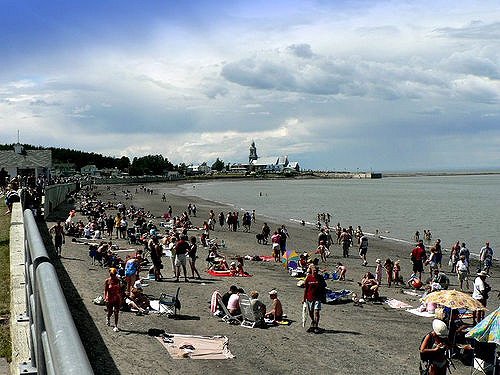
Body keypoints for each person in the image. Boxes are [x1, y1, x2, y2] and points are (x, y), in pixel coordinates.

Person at [303, 266, 326, 333]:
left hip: (317, 298)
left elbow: (324, 287)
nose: (315, 272)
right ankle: (313, 321)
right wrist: (304, 298)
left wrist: (323, 297)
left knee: (316, 312)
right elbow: (306, 289)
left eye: (316, 270)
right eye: (314, 270)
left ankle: (316, 326)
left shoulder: (320, 278)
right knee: (311, 312)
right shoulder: (309, 277)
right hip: (309, 298)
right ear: (311, 271)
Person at [104, 268, 122, 332]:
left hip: (117, 298)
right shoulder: (107, 281)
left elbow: (120, 290)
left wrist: (120, 298)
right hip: (110, 298)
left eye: (114, 274)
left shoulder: (118, 281)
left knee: (116, 312)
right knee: (110, 311)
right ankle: (108, 317)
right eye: (111, 274)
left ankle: (116, 325)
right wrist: (105, 298)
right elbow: (105, 290)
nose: (112, 276)